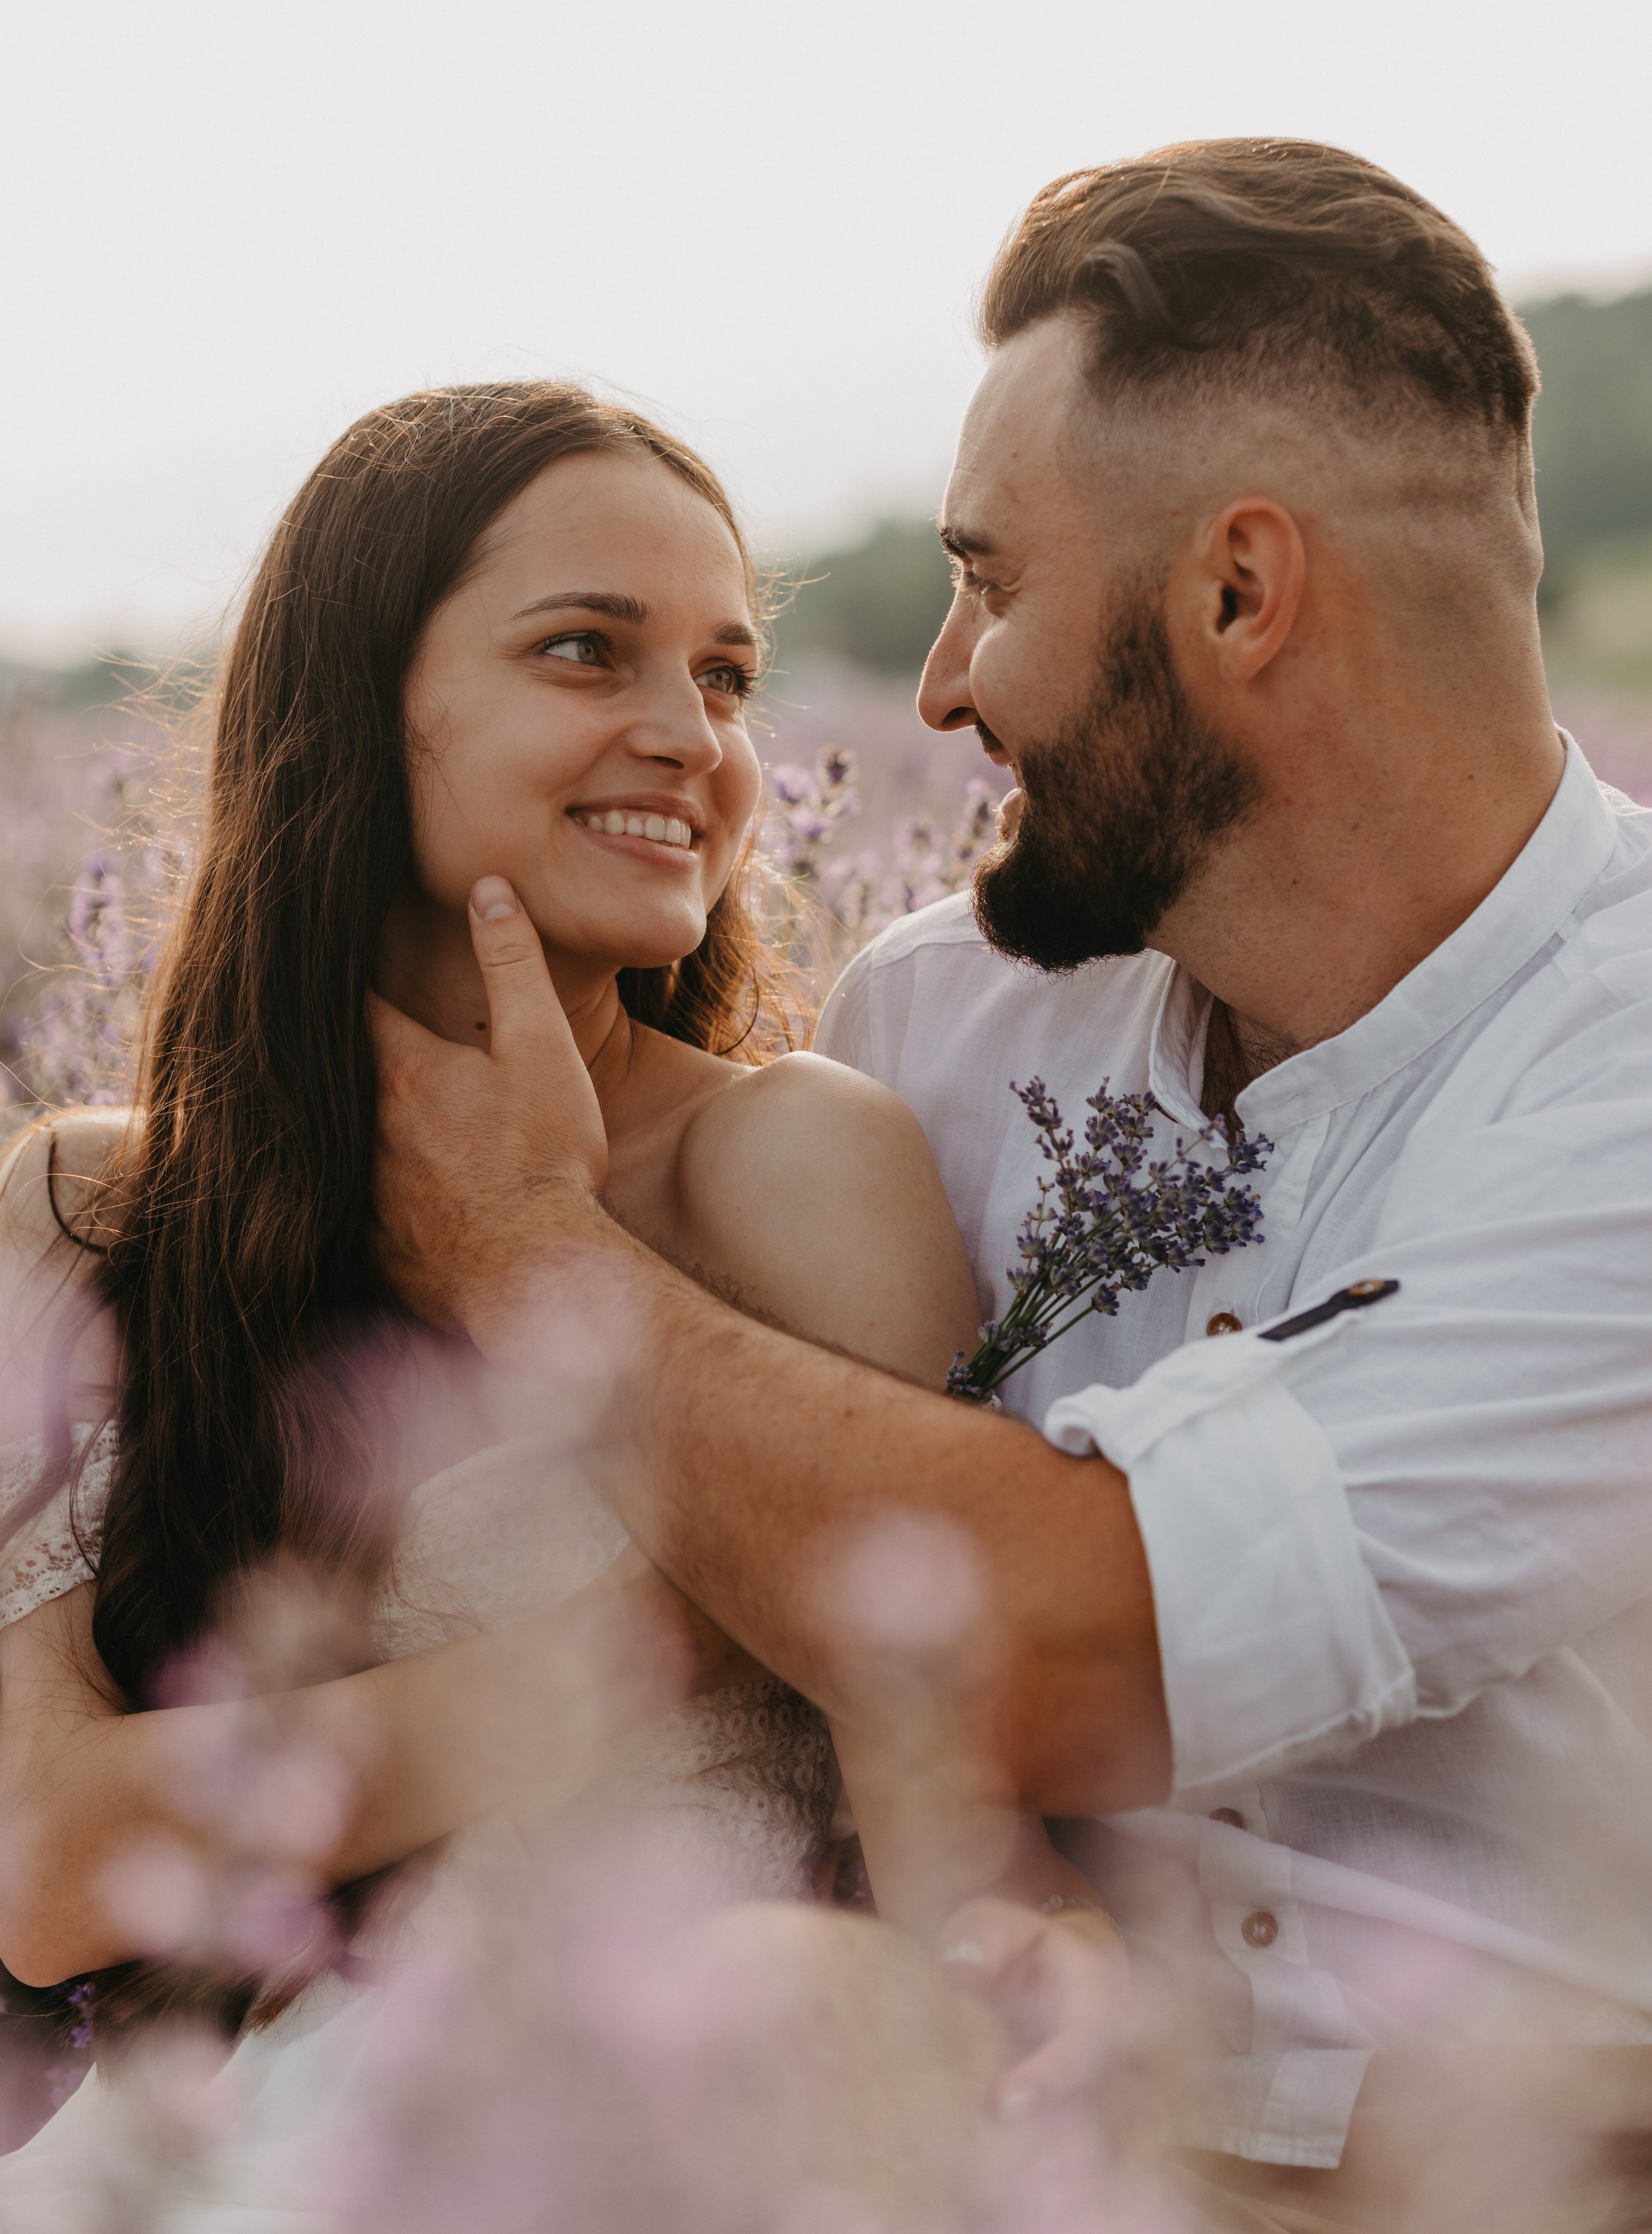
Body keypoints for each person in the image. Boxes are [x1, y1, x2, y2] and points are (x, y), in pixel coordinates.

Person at [367, 143, 1652, 2219]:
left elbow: (1071, 1651)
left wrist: (527, 1256)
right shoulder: (945, 1024)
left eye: (995, 578)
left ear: (1238, 595)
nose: (945, 680)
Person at [0, 381, 1113, 2224]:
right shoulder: (86, 1208)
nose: (690, 737)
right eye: (589, 652)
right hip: (207, 2153)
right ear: (365, 702)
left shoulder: (789, 1168)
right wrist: (666, 1631)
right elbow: (44, 1864)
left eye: (733, 679)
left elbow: (944, 1813)